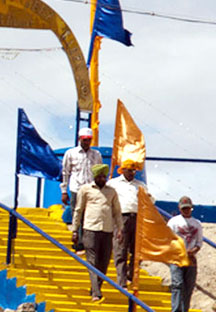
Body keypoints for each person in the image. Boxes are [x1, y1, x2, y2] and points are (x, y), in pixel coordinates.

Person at [71, 163, 122, 302]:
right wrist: (75, 230)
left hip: (107, 230)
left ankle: (96, 287)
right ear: (95, 177)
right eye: (99, 176)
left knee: (104, 262)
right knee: (92, 261)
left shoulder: (111, 192)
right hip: (90, 229)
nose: (102, 178)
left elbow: (117, 212)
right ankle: (96, 293)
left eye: (103, 176)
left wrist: (120, 229)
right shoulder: (85, 190)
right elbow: (78, 210)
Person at [108, 159, 151, 287]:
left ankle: (131, 276)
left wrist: (148, 198)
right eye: (129, 170)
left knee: (136, 249)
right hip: (121, 217)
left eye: (133, 170)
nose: (132, 173)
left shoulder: (140, 185)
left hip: (137, 217)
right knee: (121, 249)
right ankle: (121, 282)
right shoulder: (113, 184)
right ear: (123, 170)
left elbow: (150, 200)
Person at [167, 195, 204, 312]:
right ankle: (176, 311)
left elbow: (199, 242)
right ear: (179, 208)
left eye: (188, 208)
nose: (186, 210)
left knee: (189, 285)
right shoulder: (173, 222)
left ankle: (184, 311)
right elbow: (168, 239)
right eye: (183, 208)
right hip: (177, 256)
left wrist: (193, 251)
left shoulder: (197, 223)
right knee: (177, 283)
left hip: (191, 258)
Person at [60, 127, 104, 209]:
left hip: (92, 189)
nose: (87, 142)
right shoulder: (71, 153)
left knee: (91, 214)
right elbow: (65, 173)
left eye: (89, 140)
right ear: (79, 139)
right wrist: (64, 192)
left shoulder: (97, 154)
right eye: (85, 140)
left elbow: (100, 173)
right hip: (76, 189)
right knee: (76, 213)